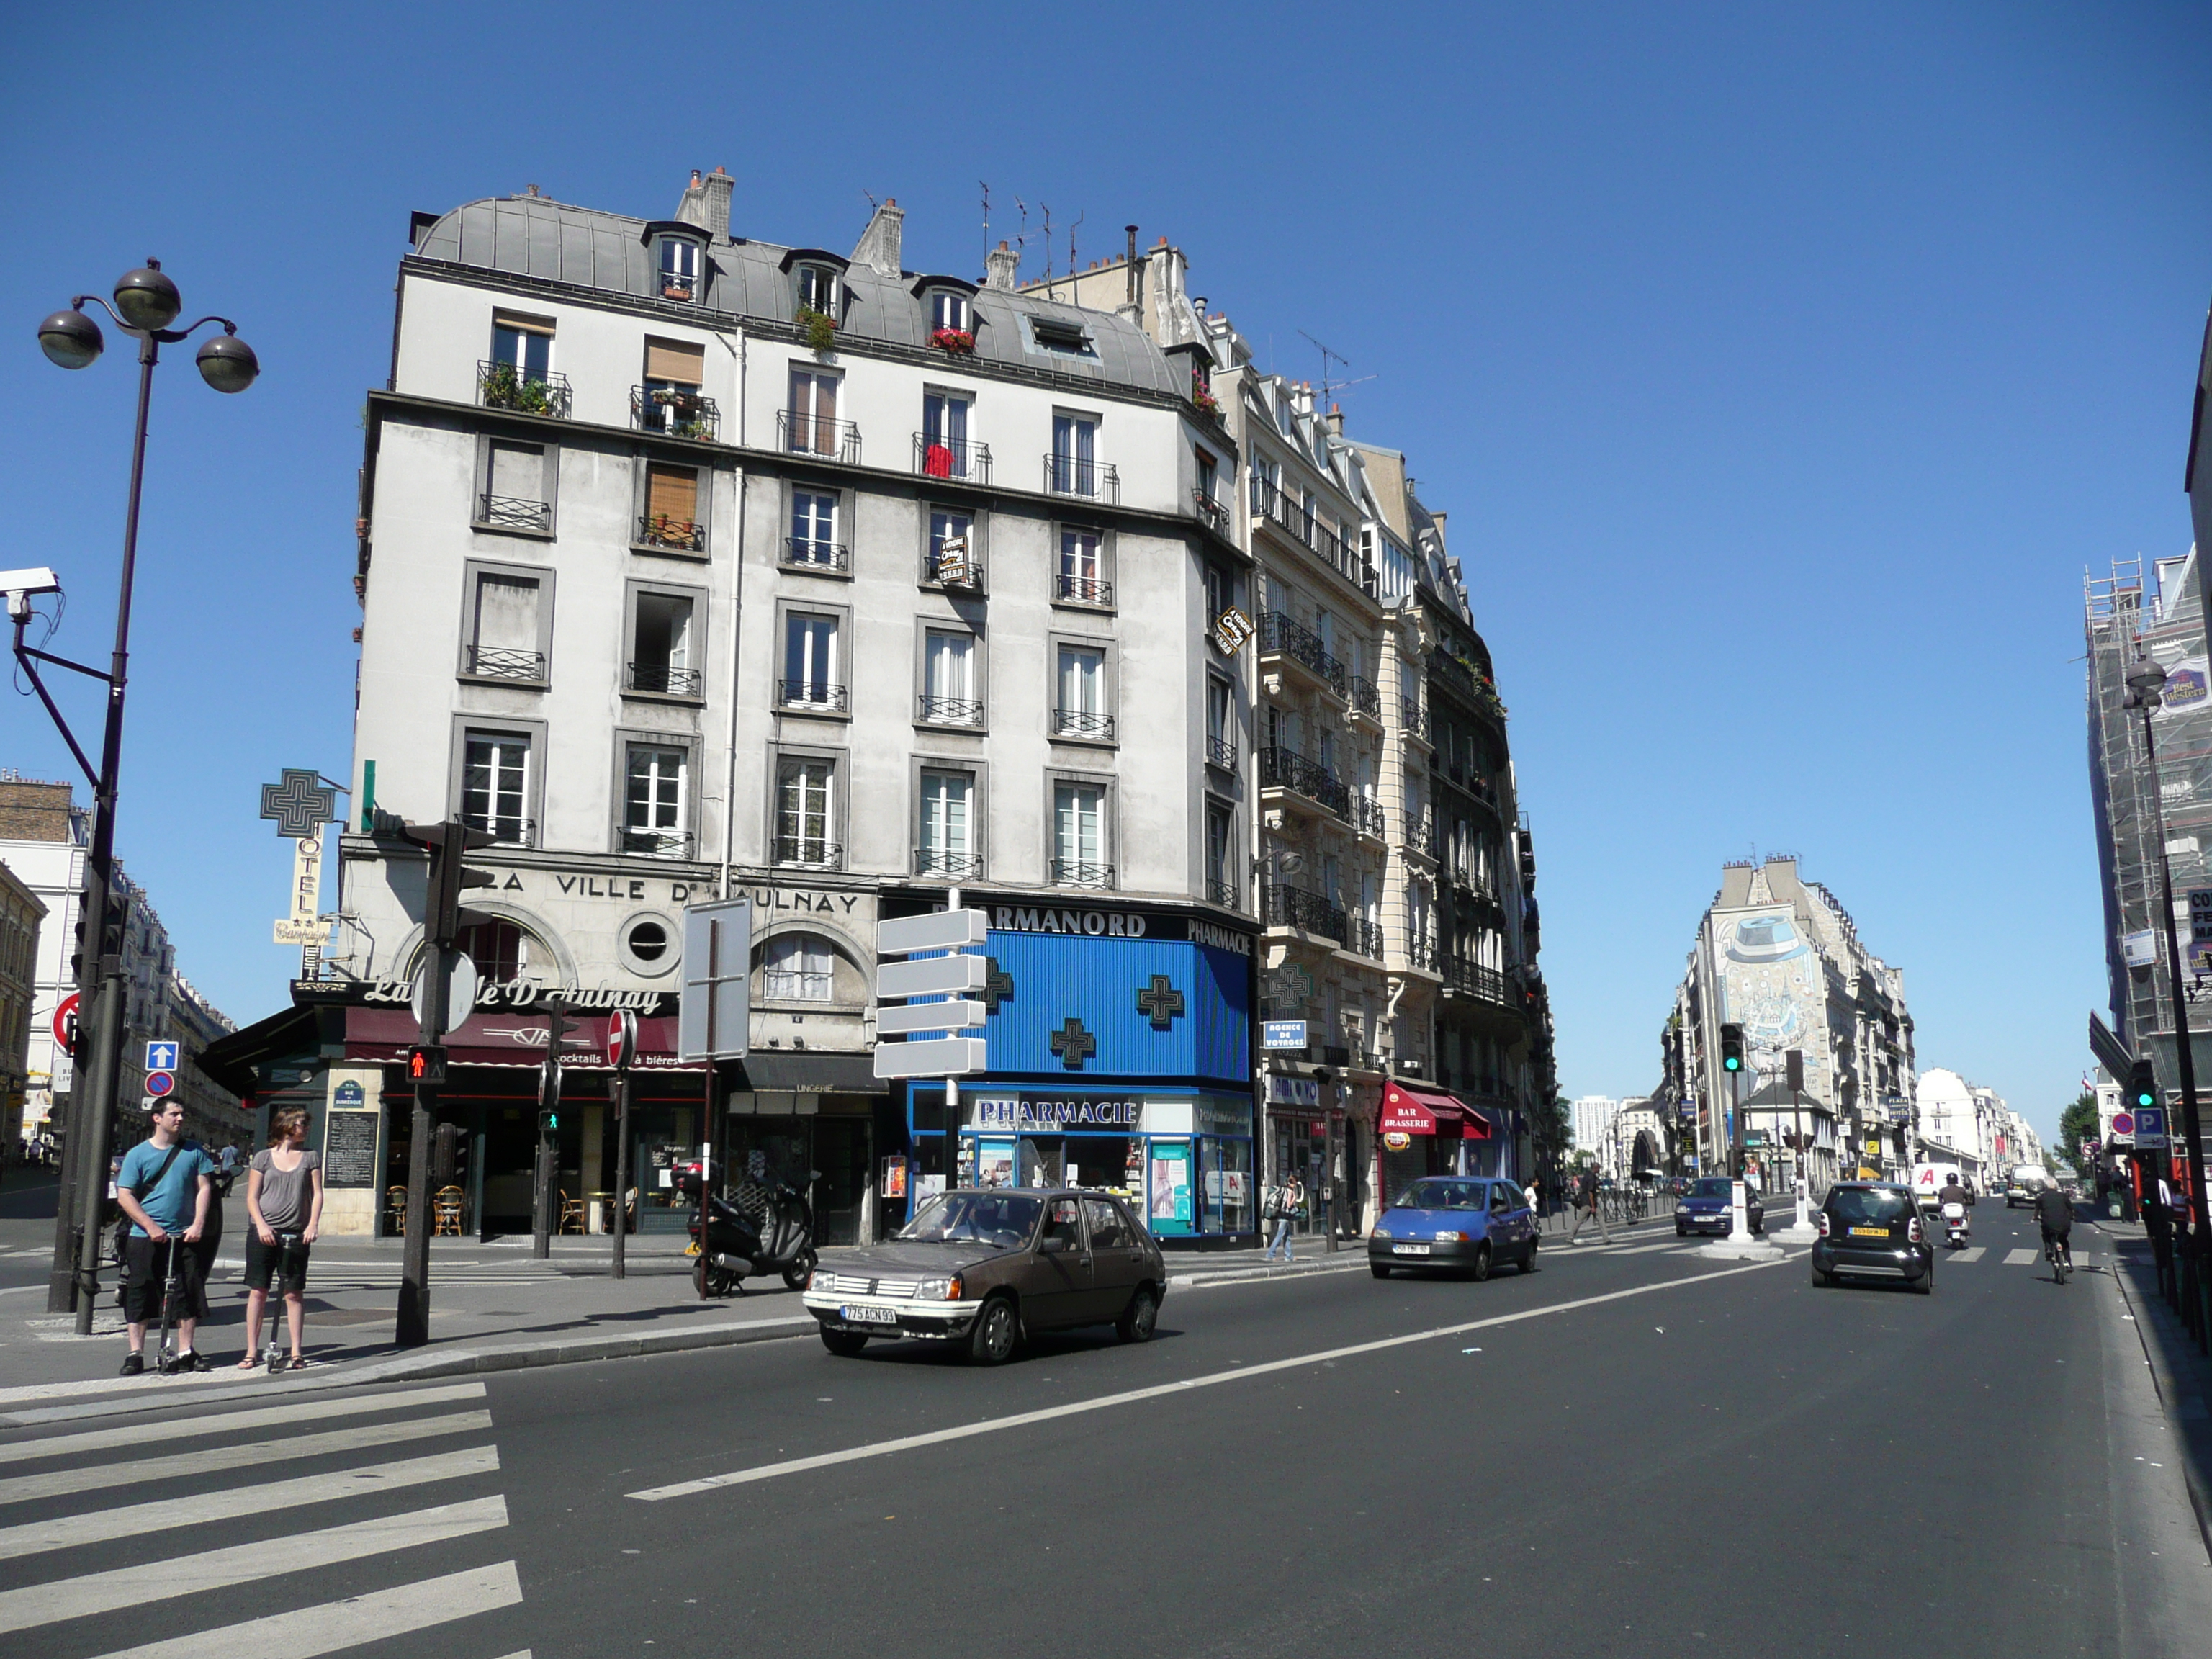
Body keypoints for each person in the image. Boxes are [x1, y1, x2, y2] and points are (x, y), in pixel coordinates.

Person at [114, 1101, 213, 1375]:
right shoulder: (138, 1154)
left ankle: (186, 1351)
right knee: (140, 1292)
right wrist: (150, 1226)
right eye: (174, 1114)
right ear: (157, 1118)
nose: (180, 1119)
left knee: (187, 1291)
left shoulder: (195, 1151)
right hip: (145, 1236)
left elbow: (204, 1188)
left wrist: (198, 1224)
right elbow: (125, 1195)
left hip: (184, 1235)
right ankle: (136, 1353)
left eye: (183, 1114)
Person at [240, 1106, 325, 1371]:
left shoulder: (310, 1157)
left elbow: (317, 1193)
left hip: (296, 1232)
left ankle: (297, 1352)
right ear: (287, 1125)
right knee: (258, 1291)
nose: (306, 1128)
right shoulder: (263, 1157)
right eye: (302, 1123)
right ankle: (251, 1352)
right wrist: (262, 1226)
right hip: (264, 1232)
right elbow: (252, 1197)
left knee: (294, 1293)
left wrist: (312, 1224)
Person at [1262, 1171, 1305, 1262]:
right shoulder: (1289, 1191)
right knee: (1280, 1236)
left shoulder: (1284, 1189)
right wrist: (1294, 1198)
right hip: (1284, 1216)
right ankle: (1271, 1254)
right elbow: (1289, 1205)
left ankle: (1289, 1256)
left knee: (1287, 1237)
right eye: (1296, 1183)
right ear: (1294, 1183)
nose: (1296, 1185)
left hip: (1281, 1215)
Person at [2034, 1182, 2073, 1275]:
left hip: (2048, 1223)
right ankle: (2068, 1262)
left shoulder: (2041, 1197)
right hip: (2064, 1224)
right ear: (2056, 1187)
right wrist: (2072, 1217)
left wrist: (2035, 1217)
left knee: (2046, 1233)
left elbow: (2037, 1211)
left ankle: (2048, 1250)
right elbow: (2071, 1208)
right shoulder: (2063, 1196)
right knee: (2064, 1241)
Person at [1569, 1167, 1611, 1245]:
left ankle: (1606, 1239)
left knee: (1599, 1218)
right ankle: (1570, 1238)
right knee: (1580, 1221)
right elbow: (1590, 1192)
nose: (1599, 1170)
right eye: (1599, 1168)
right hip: (1589, 1204)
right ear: (1596, 1168)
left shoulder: (1586, 1176)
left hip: (1585, 1202)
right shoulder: (1592, 1177)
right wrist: (1593, 1207)